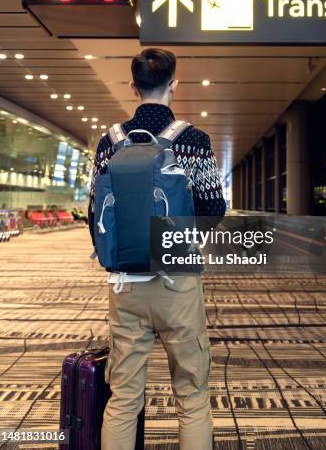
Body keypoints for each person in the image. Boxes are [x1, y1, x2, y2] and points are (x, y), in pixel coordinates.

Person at [88, 48, 226, 450]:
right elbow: (214, 209)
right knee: (192, 394)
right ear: (174, 84)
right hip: (177, 283)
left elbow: (94, 212)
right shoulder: (194, 141)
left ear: (133, 87)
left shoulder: (110, 142)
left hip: (125, 284)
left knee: (124, 397)